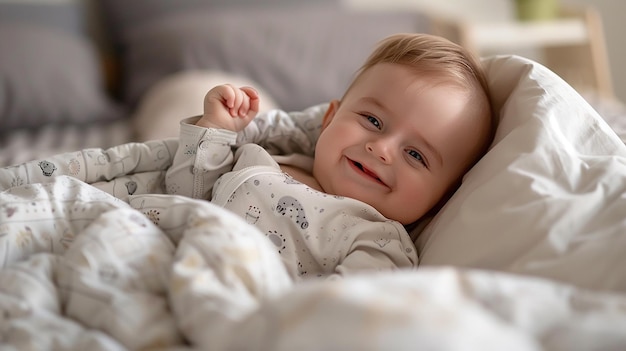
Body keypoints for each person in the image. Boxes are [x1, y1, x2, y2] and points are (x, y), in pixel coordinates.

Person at [165, 33, 495, 280]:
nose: (381, 149)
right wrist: (215, 130)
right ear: (329, 119)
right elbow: (185, 193)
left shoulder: (377, 241)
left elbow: (338, 312)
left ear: (441, 199)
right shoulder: (266, 157)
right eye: (374, 121)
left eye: (415, 154)